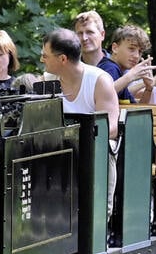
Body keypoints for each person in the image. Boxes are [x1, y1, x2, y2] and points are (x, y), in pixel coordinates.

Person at [40, 28, 120, 215]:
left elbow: (111, 128)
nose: (42, 59)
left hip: (94, 152)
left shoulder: (99, 80)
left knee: (103, 148)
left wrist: (76, 140)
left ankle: (99, 218)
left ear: (62, 59)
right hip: (59, 153)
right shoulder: (47, 80)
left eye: (46, 55)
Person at [73, 11, 123, 84]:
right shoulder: (72, 67)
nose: (84, 38)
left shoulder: (114, 67)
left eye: (90, 32)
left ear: (102, 35)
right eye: (80, 33)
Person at [108, 24, 155, 103]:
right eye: (131, 48)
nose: (137, 56)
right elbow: (103, 94)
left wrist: (149, 88)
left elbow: (137, 111)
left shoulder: (121, 75)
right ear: (115, 48)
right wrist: (130, 76)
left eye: (140, 52)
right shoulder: (110, 67)